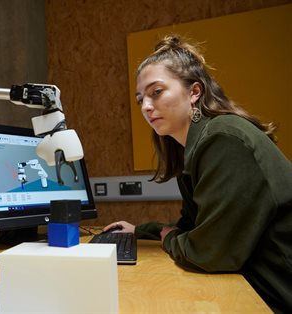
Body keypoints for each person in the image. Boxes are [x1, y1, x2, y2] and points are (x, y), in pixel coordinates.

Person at [104, 34, 292, 313]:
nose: (145, 106)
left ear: (194, 92)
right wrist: (142, 231)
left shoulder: (224, 139)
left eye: (157, 92)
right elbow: (193, 227)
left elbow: (210, 254)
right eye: (140, 98)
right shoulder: (196, 145)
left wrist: (167, 237)